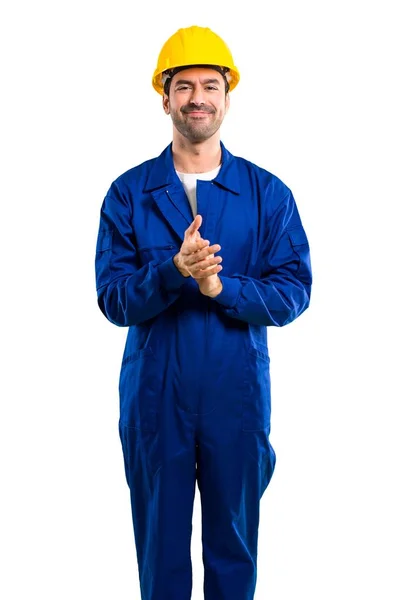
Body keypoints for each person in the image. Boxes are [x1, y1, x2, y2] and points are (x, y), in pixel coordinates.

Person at [95, 25, 312, 600]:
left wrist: (220, 286)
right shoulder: (129, 194)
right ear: (164, 97)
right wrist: (172, 271)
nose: (198, 98)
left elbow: (293, 292)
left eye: (210, 85)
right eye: (184, 85)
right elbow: (113, 299)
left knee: (233, 551)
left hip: (235, 397)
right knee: (160, 556)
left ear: (227, 96)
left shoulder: (268, 195)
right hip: (155, 397)